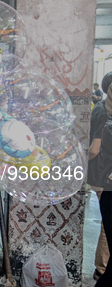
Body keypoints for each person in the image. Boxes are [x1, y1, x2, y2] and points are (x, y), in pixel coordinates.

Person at [90, 72, 112, 281]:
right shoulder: (105, 112)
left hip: (101, 175)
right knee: (107, 227)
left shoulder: (100, 108)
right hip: (105, 177)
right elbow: (95, 148)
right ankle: (102, 269)